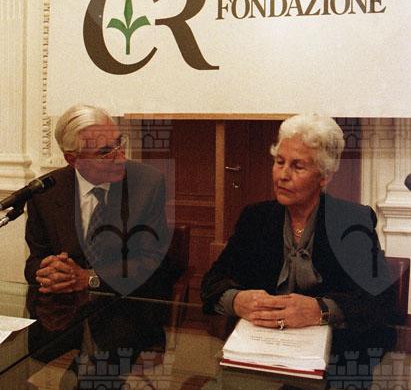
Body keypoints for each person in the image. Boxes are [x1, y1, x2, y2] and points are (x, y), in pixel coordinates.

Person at [201, 114, 396, 357]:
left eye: (297, 166)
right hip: (257, 350)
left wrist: (320, 310)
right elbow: (212, 282)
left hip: (333, 356)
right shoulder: (255, 218)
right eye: (279, 162)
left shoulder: (351, 220)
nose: (282, 175)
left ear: (324, 176)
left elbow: (382, 300)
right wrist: (237, 300)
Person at [25, 104, 172, 298]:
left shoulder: (147, 183)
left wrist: (89, 278)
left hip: (125, 304)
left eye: (119, 143)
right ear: (73, 160)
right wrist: (48, 273)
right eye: (105, 152)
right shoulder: (45, 191)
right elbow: (35, 261)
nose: (121, 158)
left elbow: (152, 262)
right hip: (63, 306)